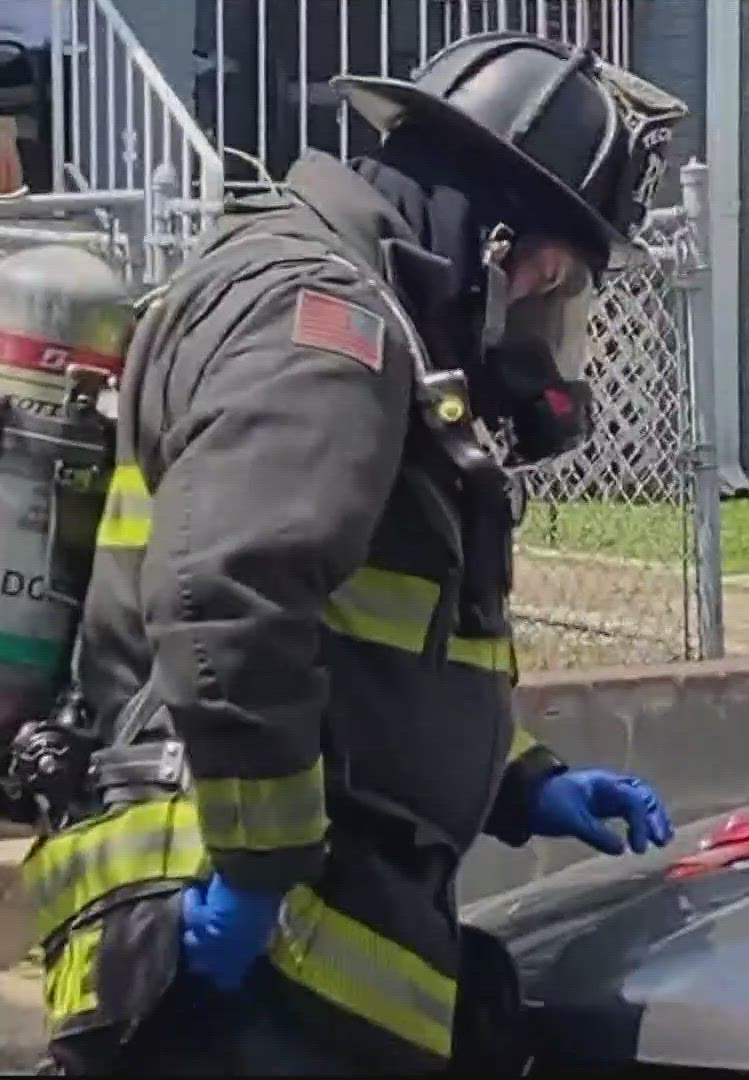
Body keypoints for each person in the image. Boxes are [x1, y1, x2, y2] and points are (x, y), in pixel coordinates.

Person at [25, 32, 690, 1075]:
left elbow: (359, 632)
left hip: (280, 974)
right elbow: (228, 596)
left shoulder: (368, 326)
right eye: (558, 286)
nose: (548, 318)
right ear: (509, 242)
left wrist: (521, 782)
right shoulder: (325, 320)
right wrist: (256, 864)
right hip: (237, 973)